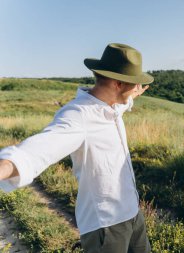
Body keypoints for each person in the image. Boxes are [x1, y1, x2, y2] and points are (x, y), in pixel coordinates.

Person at [0, 43, 153, 253]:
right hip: (106, 226)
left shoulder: (113, 106)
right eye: (134, 84)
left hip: (132, 213)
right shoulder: (78, 116)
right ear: (117, 84)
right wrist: (5, 166)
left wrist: (132, 95)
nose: (137, 88)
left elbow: (123, 103)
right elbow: (38, 150)